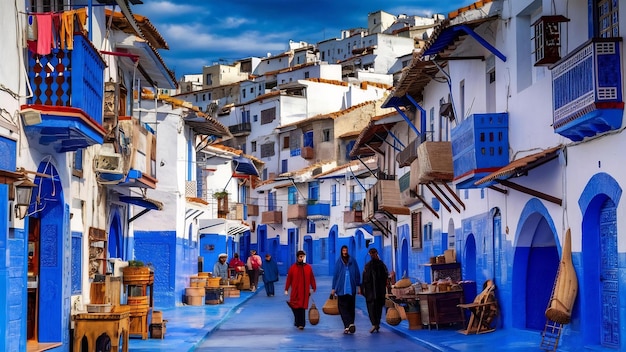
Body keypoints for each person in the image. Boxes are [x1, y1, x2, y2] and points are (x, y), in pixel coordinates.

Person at [331, 245, 361, 334]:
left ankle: (350, 324)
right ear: (341, 251)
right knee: (342, 308)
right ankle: (348, 325)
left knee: (351, 307)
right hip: (341, 289)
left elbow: (357, 274)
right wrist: (334, 288)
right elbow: (335, 275)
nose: (344, 252)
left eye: (346, 250)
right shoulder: (339, 262)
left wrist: (358, 286)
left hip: (351, 289)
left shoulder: (352, 261)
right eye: (343, 250)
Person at [284, 250, 316, 330]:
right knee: (295, 306)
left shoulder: (308, 268)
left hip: (304, 291)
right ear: (298, 257)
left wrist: (313, 287)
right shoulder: (293, 268)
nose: (302, 258)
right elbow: (289, 279)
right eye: (301, 257)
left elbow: (312, 278)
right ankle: (297, 321)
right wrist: (286, 289)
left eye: (303, 257)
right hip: (295, 291)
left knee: (302, 307)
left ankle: (301, 324)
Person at [361, 247, 389, 333]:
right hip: (370, 292)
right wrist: (362, 289)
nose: (373, 255)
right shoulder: (368, 266)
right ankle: (374, 324)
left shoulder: (381, 265)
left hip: (379, 291)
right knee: (371, 309)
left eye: (374, 253)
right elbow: (364, 279)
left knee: (378, 308)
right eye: (372, 253)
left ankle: (376, 324)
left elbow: (386, 277)